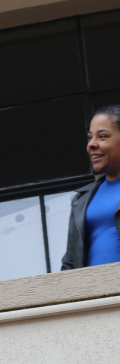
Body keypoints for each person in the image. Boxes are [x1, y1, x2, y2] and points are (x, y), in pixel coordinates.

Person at [61, 105, 120, 270]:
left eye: (102, 136)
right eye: (90, 137)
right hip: (94, 286)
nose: (91, 144)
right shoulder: (81, 199)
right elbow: (70, 262)